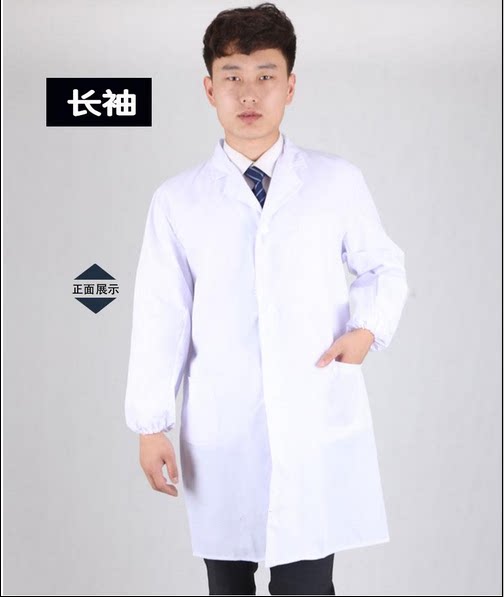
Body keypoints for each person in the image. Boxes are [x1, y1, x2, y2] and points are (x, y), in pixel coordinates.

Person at [124, 2, 409, 595]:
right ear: (210, 89)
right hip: (222, 426)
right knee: (227, 582)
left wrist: (367, 330)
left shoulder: (335, 181)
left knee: (308, 582)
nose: (248, 93)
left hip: (312, 419)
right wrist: (151, 425)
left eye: (265, 75)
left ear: (290, 87)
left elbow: (383, 265)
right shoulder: (177, 200)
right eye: (232, 76)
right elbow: (160, 315)